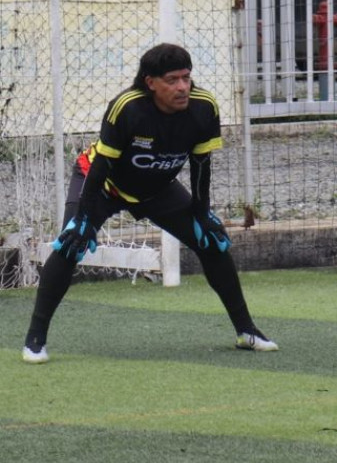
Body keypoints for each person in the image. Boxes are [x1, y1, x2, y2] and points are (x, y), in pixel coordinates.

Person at [22, 43, 278, 364]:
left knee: (213, 244)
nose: (182, 87)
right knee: (71, 243)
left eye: (186, 78)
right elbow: (101, 166)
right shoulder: (128, 107)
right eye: (172, 80)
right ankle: (35, 339)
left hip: (158, 189)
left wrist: (201, 213)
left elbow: (201, 165)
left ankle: (247, 331)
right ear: (151, 82)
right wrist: (84, 216)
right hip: (104, 184)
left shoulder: (204, 107)